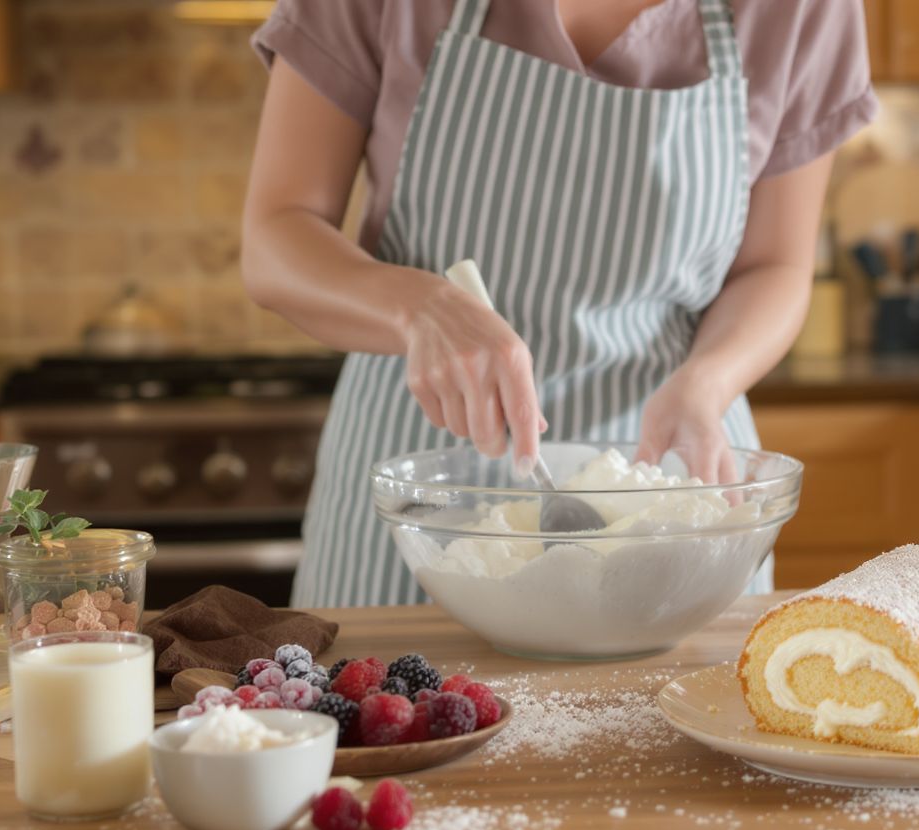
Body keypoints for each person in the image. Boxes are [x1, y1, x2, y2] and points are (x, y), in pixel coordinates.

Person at [243, 0, 877, 607]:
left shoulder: (801, 8)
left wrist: (708, 384)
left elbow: (776, 266)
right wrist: (419, 307)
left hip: (670, 481)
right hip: (417, 486)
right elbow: (277, 235)